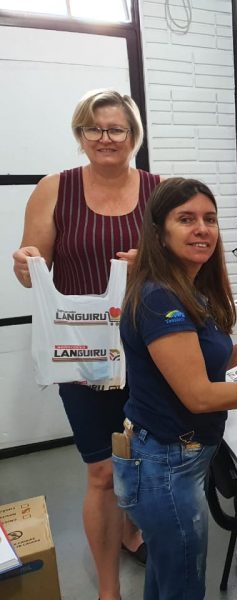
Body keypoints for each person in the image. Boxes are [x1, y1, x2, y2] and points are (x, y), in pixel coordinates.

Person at [113, 177, 237, 599]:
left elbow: (204, 361)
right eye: (186, 219)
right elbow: (198, 394)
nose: (202, 229)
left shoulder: (187, 289)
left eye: (209, 219)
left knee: (166, 577)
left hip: (176, 457)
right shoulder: (161, 299)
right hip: (165, 465)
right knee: (182, 586)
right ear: (159, 232)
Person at [11, 89, 159, 600]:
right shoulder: (55, 189)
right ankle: (108, 591)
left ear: (133, 136)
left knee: (146, 457)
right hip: (84, 354)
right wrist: (26, 263)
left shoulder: (161, 193)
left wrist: (152, 264)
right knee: (101, 470)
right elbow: (33, 270)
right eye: (93, 128)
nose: (105, 138)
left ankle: (132, 530)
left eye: (116, 129)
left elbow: (191, 265)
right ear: (80, 134)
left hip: (151, 349)